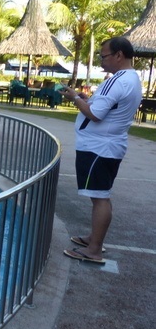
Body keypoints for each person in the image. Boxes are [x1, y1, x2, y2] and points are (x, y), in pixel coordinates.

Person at [60, 36, 142, 265]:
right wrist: (87, 99)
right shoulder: (130, 79)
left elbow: (95, 114)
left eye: (103, 55)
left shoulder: (118, 81)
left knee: (100, 197)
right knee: (99, 195)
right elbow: (105, 107)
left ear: (118, 55)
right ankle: (93, 239)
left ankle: (94, 249)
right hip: (105, 146)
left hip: (98, 148)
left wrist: (75, 97)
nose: (100, 60)